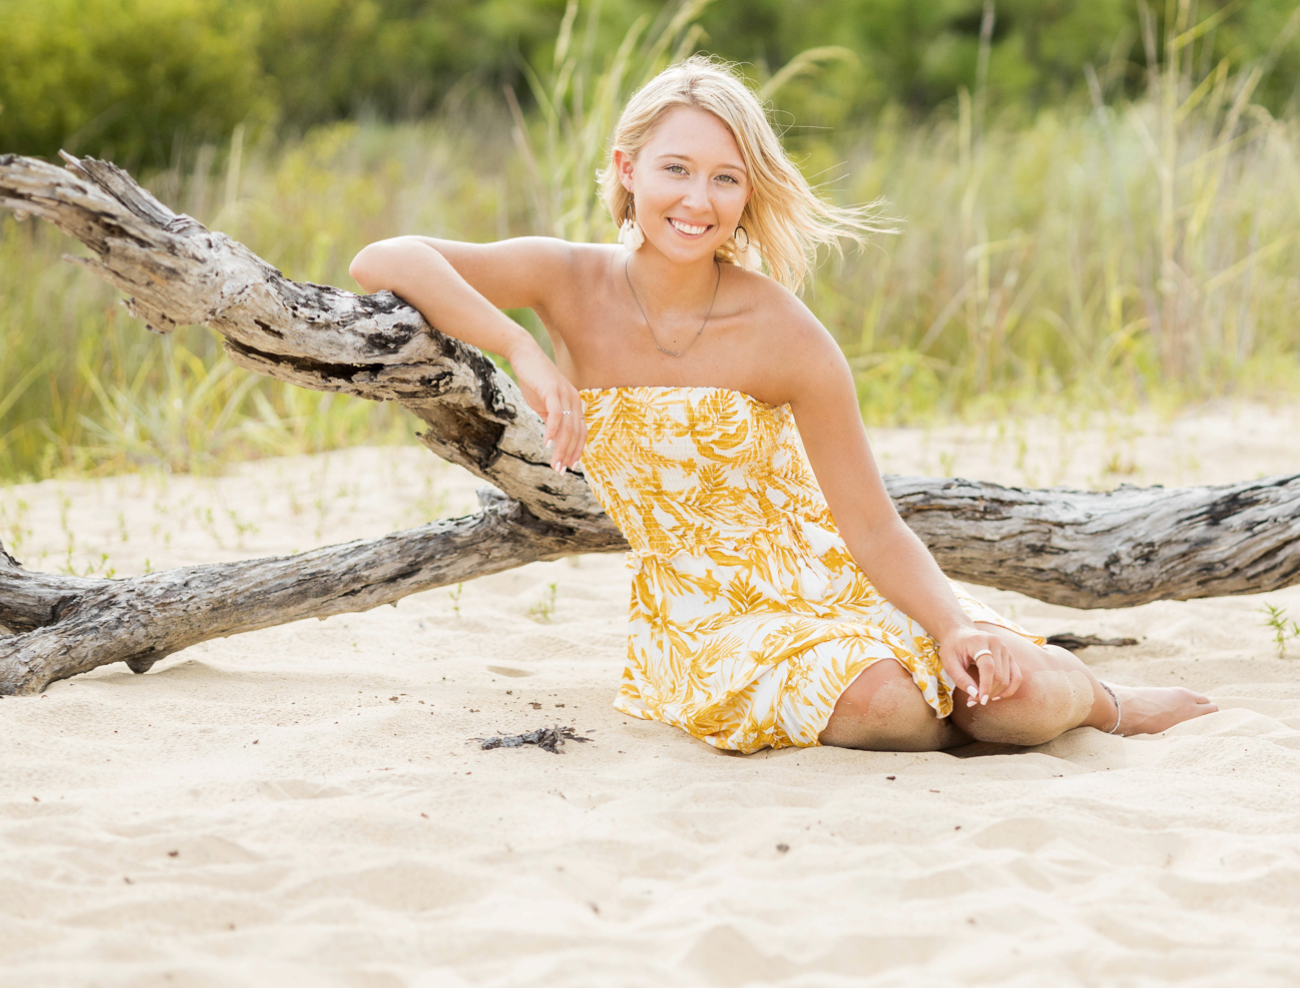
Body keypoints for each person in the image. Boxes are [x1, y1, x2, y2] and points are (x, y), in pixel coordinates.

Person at [348, 56, 1216, 753]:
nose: (697, 200)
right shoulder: (566, 280)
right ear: (626, 170)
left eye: (726, 180)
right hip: (700, 613)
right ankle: (961, 697)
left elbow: (874, 527)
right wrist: (522, 347)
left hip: (837, 583)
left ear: (748, 198)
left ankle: (1102, 703)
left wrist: (949, 622)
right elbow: (385, 257)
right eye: (676, 169)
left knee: (1005, 703)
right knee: (892, 707)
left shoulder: (785, 332)